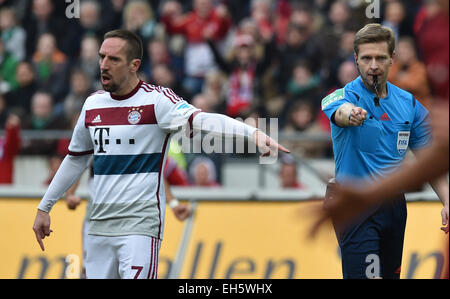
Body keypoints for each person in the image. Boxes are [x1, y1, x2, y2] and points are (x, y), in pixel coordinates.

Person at [32, 29, 289, 279]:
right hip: (98, 225)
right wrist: (45, 207)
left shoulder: (158, 101)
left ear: (134, 65)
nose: (104, 64)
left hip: (139, 224)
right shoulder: (92, 104)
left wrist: (251, 132)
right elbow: (75, 159)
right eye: (101, 57)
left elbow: (202, 120)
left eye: (113, 59)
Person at [320, 23, 448, 279]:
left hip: (393, 205)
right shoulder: (341, 96)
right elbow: (340, 112)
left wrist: (447, 199)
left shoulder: (409, 104)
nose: (374, 65)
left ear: (393, 59)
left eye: (380, 57)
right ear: (356, 60)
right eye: (366, 58)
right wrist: (351, 115)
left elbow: (428, 157)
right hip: (354, 203)